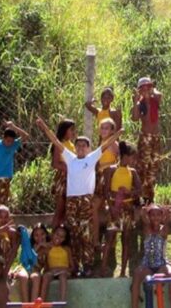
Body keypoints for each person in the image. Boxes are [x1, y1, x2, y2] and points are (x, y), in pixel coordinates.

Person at [37, 116, 122, 276]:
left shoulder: (91, 159)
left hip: (85, 200)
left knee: (86, 233)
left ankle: (88, 265)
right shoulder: (70, 158)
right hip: (71, 201)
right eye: (79, 145)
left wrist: (118, 133)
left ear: (89, 149)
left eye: (85, 145)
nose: (81, 147)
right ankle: (74, 266)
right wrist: (43, 126)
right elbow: (55, 141)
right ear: (75, 148)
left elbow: (106, 145)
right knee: (73, 232)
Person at [102, 141, 142, 277]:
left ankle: (123, 271)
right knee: (110, 239)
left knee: (126, 240)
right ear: (124, 155)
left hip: (127, 210)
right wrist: (111, 207)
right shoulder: (111, 170)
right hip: (115, 210)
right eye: (131, 157)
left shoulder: (133, 172)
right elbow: (106, 190)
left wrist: (129, 193)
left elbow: (139, 190)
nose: (133, 160)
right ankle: (103, 268)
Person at [131, 205, 171, 308]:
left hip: (162, 264)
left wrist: (167, 214)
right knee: (137, 273)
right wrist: (144, 211)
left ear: (162, 216)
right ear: (149, 217)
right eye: (152, 215)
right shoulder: (146, 229)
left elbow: (168, 221)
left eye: (158, 215)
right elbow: (144, 217)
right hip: (148, 264)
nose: (155, 218)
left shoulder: (164, 229)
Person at [92, 118, 120, 266]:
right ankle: (99, 241)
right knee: (99, 209)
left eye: (107, 128)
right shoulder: (101, 143)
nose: (103, 131)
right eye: (102, 128)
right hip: (99, 177)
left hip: (108, 178)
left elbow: (119, 161)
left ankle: (100, 241)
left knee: (97, 207)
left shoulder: (113, 144)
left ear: (112, 131)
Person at [131, 77, 163, 204]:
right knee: (142, 167)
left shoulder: (156, 99)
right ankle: (139, 196)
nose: (145, 90)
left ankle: (149, 196)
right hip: (145, 138)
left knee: (153, 167)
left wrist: (151, 90)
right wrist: (135, 101)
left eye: (147, 87)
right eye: (142, 88)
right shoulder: (141, 104)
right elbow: (134, 118)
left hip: (156, 138)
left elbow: (159, 94)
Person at [50, 119, 76, 228]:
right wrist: (69, 168)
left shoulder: (72, 144)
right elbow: (55, 163)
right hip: (62, 179)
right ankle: (53, 235)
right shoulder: (59, 144)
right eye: (71, 130)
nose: (74, 132)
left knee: (67, 211)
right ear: (64, 130)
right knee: (59, 210)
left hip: (72, 179)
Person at [40, 225, 73, 302]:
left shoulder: (66, 249)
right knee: (46, 276)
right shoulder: (47, 247)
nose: (58, 238)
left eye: (62, 237)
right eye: (57, 234)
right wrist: (40, 245)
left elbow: (72, 266)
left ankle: (62, 302)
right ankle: (41, 302)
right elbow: (42, 262)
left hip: (64, 271)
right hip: (52, 271)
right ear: (52, 234)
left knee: (62, 276)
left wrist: (64, 269)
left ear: (64, 239)